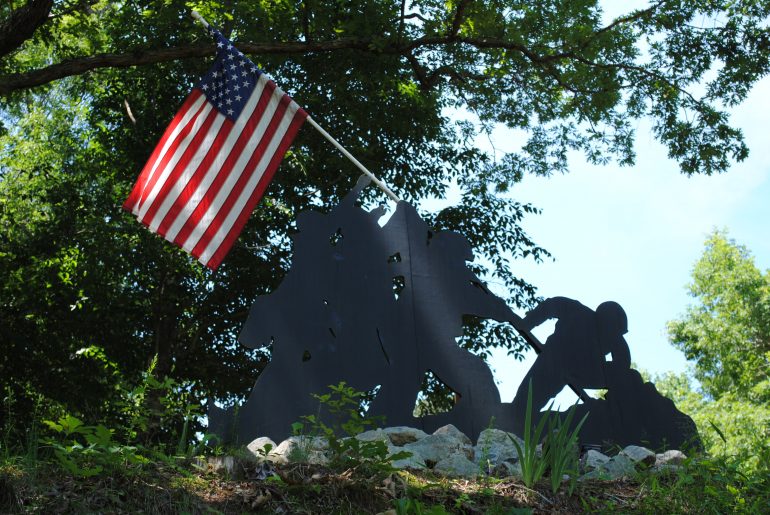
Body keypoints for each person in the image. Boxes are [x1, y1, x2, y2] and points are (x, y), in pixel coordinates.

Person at [510, 297, 631, 431]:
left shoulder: (616, 341)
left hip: (574, 372)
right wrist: (528, 322)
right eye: (612, 328)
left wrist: (613, 391)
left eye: (616, 332)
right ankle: (515, 419)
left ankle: (521, 421)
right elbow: (551, 305)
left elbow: (622, 369)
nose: (612, 334)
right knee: (527, 397)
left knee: (533, 399)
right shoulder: (578, 312)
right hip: (552, 360)